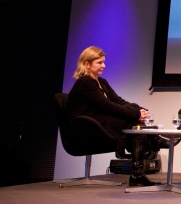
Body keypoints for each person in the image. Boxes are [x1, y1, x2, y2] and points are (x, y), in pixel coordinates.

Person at [67, 46, 162, 187]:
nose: (103, 66)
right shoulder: (85, 83)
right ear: (87, 64)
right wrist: (136, 114)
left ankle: (138, 173)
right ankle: (155, 142)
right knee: (135, 123)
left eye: (103, 62)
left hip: (101, 122)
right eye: (99, 62)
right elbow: (106, 106)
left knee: (137, 125)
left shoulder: (102, 82)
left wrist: (140, 109)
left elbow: (118, 101)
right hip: (88, 127)